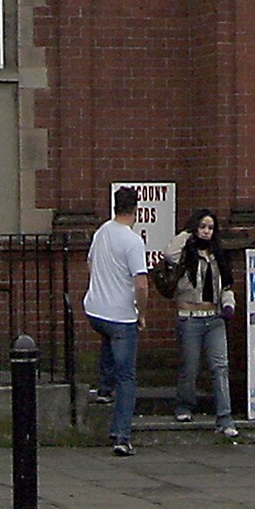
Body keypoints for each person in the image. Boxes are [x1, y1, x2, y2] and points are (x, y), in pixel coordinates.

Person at [84, 185, 150, 454]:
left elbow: (90, 263)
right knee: (127, 377)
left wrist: (101, 285)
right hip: (121, 315)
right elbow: (141, 284)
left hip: (94, 310)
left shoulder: (102, 232)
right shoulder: (133, 242)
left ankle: (103, 388)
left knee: (107, 340)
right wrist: (141, 313)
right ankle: (122, 436)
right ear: (136, 210)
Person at [171, 208, 239, 436]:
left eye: (210, 228)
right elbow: (168, 254)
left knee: (220, 367)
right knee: (190, 366)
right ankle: (184, 406)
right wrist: (187, 233)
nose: (206, 232)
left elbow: (226, 286)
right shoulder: (185, 254)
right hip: (190, 317)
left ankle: (225, 418)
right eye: (202, 227)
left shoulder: (218, 255)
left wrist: (228, 306)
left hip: (214, 317)